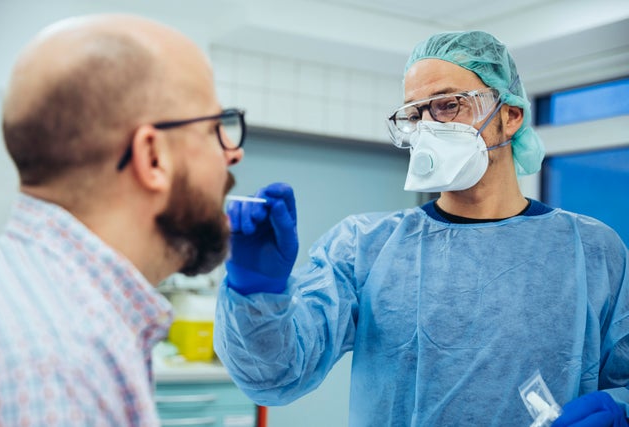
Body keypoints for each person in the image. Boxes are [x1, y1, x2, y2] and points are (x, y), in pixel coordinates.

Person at [213, 31, 629, 426]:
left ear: (511, 115)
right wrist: (256, 291)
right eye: (414, 113)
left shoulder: (591, 250)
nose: (429, 126)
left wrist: (622, 410)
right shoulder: (365, 248)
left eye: (448, 104)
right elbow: (276, 375)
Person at [0, 14, 245, 426]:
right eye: (215, 128)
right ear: (153, 157)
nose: (233, 152)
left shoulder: (18, 287)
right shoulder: (61, 369)